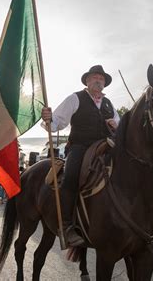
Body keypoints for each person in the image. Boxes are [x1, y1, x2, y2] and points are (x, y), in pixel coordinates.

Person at [41, 65, 120, 247]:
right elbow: (56, 123)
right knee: (71, 176)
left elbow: (120, 125)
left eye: (101, 78)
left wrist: (116, 127)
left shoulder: (109, 104)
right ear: (87, 81)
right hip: (80, 146)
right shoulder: (75, 98)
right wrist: (48, 118)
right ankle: (67, 227)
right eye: (95, 77)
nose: (99, 80)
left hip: (106, 146)